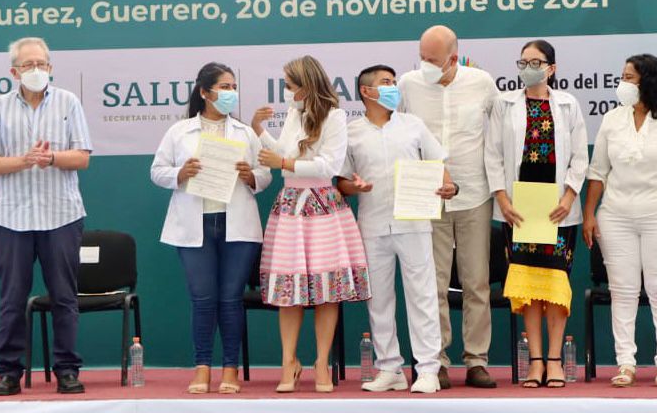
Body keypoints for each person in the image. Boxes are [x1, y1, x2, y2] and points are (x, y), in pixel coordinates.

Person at [0, 37, 92, 396]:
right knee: (12, 298)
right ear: (14, 72)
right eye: (28, 65)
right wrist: (23, 161)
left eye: (42, 63)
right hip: (12, 217)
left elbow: (83, 157)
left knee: (64, 297)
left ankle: (67, 370)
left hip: (61, 215)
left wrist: (52, 158)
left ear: (51, 67)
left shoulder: (69, 102)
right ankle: (9, 372)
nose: (37, 70)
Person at [150, 62, 271, 394]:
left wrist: (252, 176)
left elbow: (265, 174)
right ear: (204, 92)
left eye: (234, 87)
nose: (230, 93)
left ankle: (230, 368)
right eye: (224, 87)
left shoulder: (245, 133)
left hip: (237, 224)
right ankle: (202, 366)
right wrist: (180, 172)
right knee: (203, 299)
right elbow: (157, 171)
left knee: (231, 299)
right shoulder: (180, 131)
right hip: (194, 223)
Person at [252, 55, 370, 393]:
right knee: (289, 290)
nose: (286, 92)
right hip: (290, 206)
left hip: (322, 206)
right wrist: (260, 131)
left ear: (306, 86)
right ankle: (288, 362)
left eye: (290, 86)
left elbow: (327, 165)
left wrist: (284, 161)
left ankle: (321, 362)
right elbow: (283, 155)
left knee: (326, 290)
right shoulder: (293, 113)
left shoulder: (334, 116)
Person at [338, 64, 457, 394]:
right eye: (386, 83)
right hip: (373, 224)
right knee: (379, 301)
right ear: (366, 91)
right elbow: (342, 182)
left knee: (422, 297)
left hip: (414, 222)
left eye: (393, 82)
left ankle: (428, 369)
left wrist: (450, 188)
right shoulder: (351, 131)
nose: (393, 87)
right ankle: (389, 368)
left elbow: (439, 167)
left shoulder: (413, 125)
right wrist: (354, 187)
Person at [583, 53, 657, 388]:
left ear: (649, 81)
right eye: (623, 77)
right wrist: (590, 213)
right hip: (615, 215)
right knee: (623, 291)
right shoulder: (611, 119)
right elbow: (598, 171)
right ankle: (625, 363)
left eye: (630, 78)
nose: (623, 84)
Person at [398, 25, 499, 389]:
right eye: (421, 57)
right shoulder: (408, 84)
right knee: (433, 282)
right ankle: (435, 360)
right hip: (427, 194)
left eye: (433, 60)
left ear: (453, 59)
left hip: (474, 193)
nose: (424, 65)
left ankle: (476, 361)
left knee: (476, 281)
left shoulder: (482, 83)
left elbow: (499, 133)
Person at [484, 40, 588, 388]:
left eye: (535, 62)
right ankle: (535, 361)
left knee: (555, 285)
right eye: (523, 61)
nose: (528, 67)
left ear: (551, 68)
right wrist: (502, 199)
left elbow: (580, 157)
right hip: (519, 210)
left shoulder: (569, 104)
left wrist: (570, 195)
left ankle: (556, 360)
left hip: (558, 210)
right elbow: (493, 155)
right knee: (528, 285)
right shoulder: (504, 103)